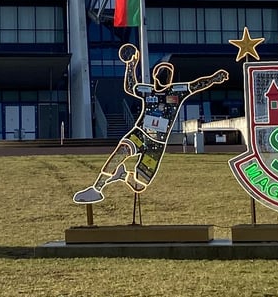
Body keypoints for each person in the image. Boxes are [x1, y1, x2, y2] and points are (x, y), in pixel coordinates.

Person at [72, 44, 228, 204]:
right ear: (155, 75)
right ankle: (96, 189)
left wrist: (214, 79)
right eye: (162, 71)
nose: (165, 75)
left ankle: (123, 175)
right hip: (140, 134)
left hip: (157, 143)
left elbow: (197, 85)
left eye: (168, 72)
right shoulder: (147, 91)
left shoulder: (177, 91)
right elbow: (130, 86)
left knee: (141, 184)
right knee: (119, 154)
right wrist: (130, 65)